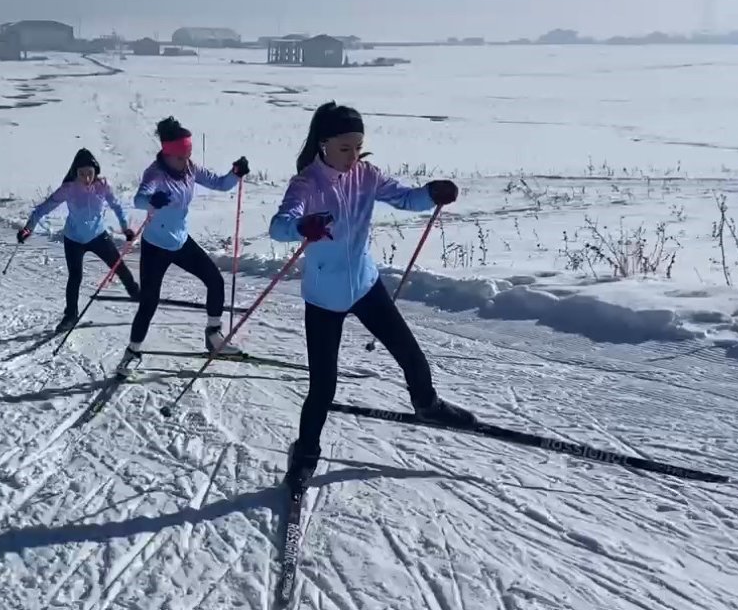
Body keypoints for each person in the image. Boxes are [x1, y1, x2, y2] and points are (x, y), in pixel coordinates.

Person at [268, 101, 476, 491]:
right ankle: (305, 455)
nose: (353, 156)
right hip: (324, 296)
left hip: (365, 285)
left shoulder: (366, 175)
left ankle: (427, 405)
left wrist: (432, 192)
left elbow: (405, 198)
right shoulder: (306, 184)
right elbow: (279, 227)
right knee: (323, 386)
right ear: (323, 144)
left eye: (358, 146)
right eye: (344, 148)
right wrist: (302, 225)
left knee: (410, 354)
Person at [117, 117, 249, 373]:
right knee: (149, 302)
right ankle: (132, 351)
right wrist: (152, 200)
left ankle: (213, 336)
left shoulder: (190, 169)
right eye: (180, 157)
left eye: (188, 155)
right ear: (167, 154)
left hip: (180, 240)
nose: (185, 161)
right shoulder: (155, 173)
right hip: (156, 246)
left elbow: (220, 183)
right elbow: (139, 198)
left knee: (215, 280)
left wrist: (234, 174)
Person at [18, 149, 140, 332]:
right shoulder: (69, 188)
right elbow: (44, 207)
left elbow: (117, 206)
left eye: (89, 173)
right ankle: (70, 316)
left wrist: (125, 228)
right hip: (74, 239)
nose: (86, 178)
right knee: (75, 277)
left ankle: (136, 294)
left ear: (95, 171)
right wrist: (29, 227)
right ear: (76, 173)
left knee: (119, 266)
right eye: (81, 174)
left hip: (98, 235)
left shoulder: (103, 185)